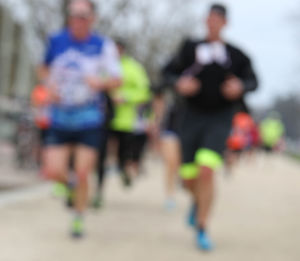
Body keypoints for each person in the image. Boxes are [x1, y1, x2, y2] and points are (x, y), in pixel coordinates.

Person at [163, 3, 258, 250]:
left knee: (207, 170)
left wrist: (241, 87)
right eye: (209, 19)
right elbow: (167, 74)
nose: (212, 23)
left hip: (220, 118)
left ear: (225, 23)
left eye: (218, 19)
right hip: (190, 116)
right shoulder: (189, 48)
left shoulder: (237, 55)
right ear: (205, 21)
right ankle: (197, 202)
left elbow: (253, 81)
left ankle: (202, 227)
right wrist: (179, 83)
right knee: (188, 179)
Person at [37, 0, 122, 238]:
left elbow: (117, 79)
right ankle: (72, 186)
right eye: (73, 15)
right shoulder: (56, 40)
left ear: (93, 18)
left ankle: (78, 218)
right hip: (60, 115)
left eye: (83, 16)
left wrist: (101, 83)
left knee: (84, 171)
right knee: (53, 171)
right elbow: (43, 68)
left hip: (89, 116)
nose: (78, 20)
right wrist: (48, 84)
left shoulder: (103, 45)